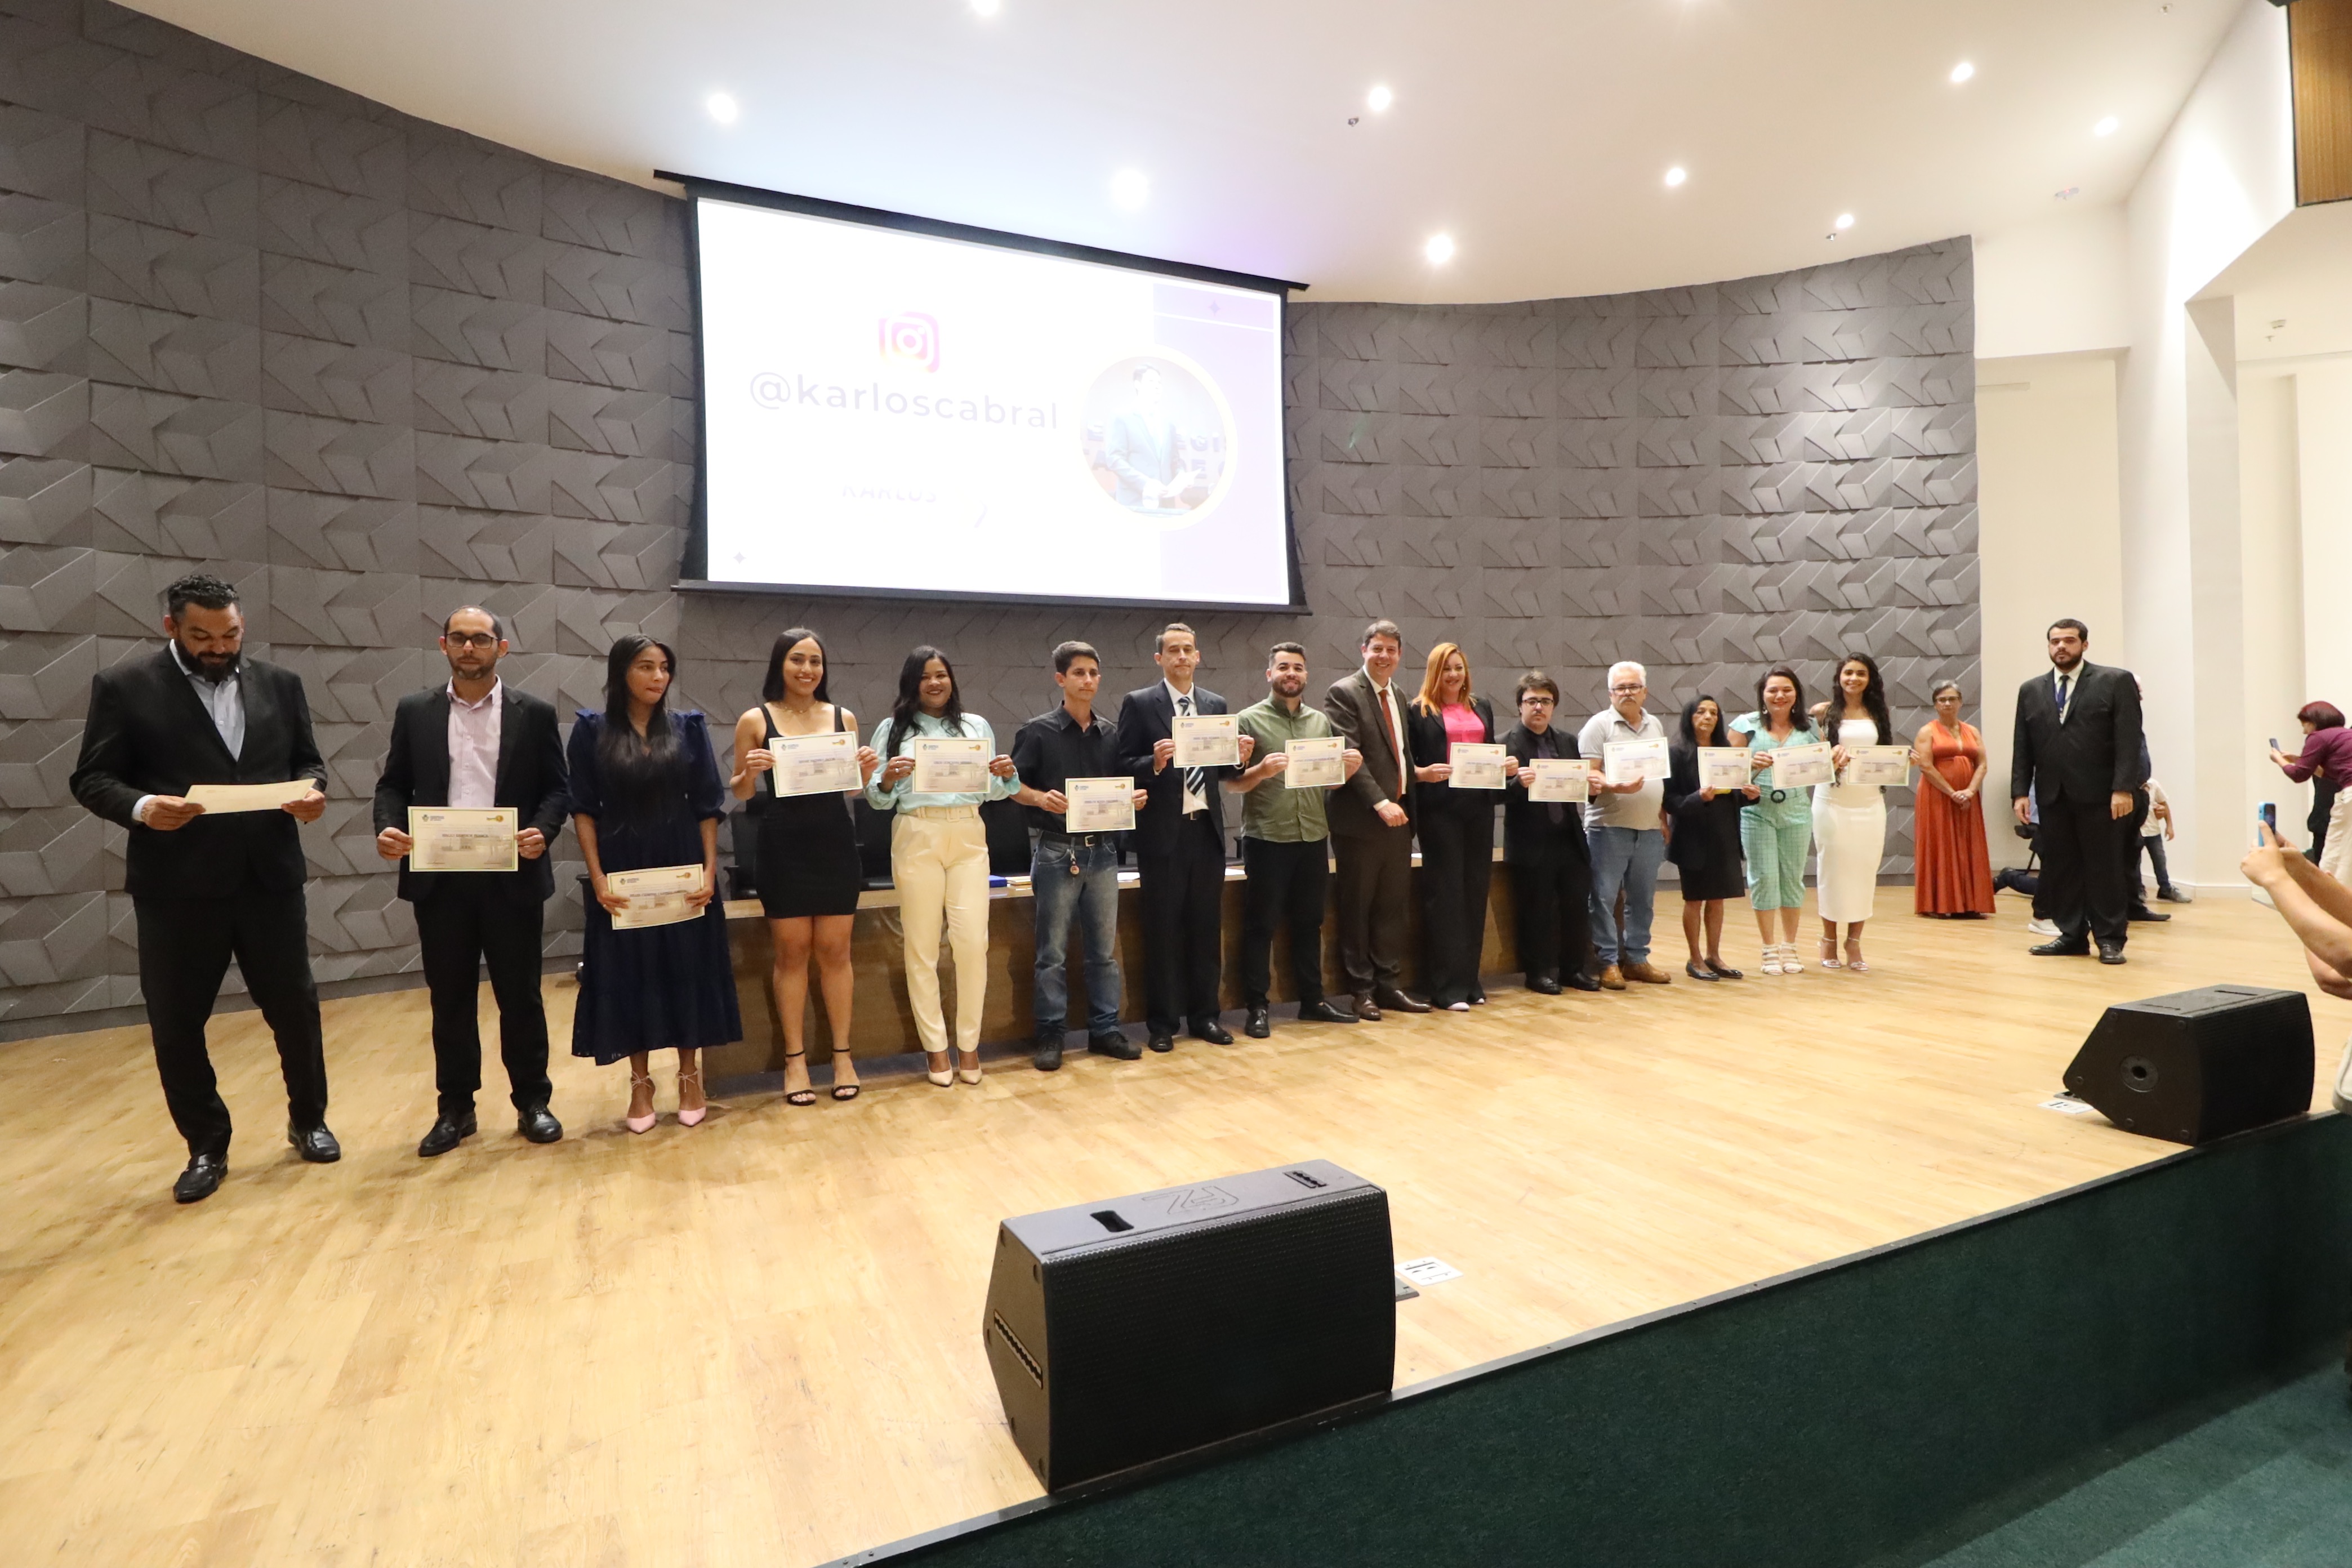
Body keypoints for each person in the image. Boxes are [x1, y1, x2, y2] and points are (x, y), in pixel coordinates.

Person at [68, 572, 334, 1203]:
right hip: (176, 888)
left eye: (230, 635)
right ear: (172, 627)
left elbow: (309, 761)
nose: (219, 647)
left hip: (269, 879)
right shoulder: (125, 686)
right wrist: (141, 808)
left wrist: (312, 793)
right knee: (177, 1023)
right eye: (203, 637)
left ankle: (310, 1120)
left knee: (295, 1010)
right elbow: (92, 777)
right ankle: (207, 1145)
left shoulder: (282, 684)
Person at [371, 606, 569, 1157]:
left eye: (480, 639)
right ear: (443, 645)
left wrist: (543, 829)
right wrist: (387, 826)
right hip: (441, 880)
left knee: (520, 997)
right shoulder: (415, 711)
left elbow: (558, 788)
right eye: (458, 638)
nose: (469, 648)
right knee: (450, 999)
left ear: (501, 648)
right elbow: (393, 784)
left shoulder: (535, 713)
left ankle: (533, 1101)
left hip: (512, 876)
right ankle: (455, 1109)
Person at [573, 635, 741, 1130]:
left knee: (687, 967)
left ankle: (689, 1076)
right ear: (621, 672)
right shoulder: (592, 730)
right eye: (646, 667)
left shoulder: (689, 727)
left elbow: (708, 805)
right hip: (623, 865)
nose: (658, 677)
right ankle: (640, 1083)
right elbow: (583, 809)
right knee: (632, 972)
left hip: (682, 862)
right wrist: (597, 877)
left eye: (665, 667)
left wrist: (709, 870)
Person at [865, 646, 1039, 1086]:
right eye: (925, 676)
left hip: (967, 833)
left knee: (972, 943)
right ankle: (936, 1049)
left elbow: (996, 791)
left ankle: (969, 1045)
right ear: (912, 682)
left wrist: (1007, 774)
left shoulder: (975, 726)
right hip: (917, 832)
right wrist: (887, 778)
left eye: (941, 675)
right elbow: (877, 798)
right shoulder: (892, 728)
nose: (935, 683)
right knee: (922, 946)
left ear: (951, 680)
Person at [730, 630, 881, 1107]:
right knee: (791, 954)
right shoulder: (755, 719)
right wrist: (750, 772)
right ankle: (794, 1061)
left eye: (816, 661)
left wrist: (866, 769)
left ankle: (842, 1057)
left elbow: (852, 790)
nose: (807, 670)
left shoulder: (843, 717)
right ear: (781, 664)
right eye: (798, 660)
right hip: (783, 845)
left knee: (836, 952)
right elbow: (740, 792)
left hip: (835, 842)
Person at [1011, 642, 1151, 1071]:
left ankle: (1104, 1030)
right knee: (1051, 953)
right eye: (1078, 673)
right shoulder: (1037, 731)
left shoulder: (1112, 734)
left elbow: (1119, 789)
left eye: (1093, 673)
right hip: (1057, 852)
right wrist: (1040, 798)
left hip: (1103, 853)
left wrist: (1132, 800)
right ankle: (1051, 1033)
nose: (1087, 680)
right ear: (1061, 679)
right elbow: (1010, 787)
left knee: (1103, 953)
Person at [1119, 623, 1255, 1051]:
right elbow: (1122, 763)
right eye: (1173, 650)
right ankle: (1162, 1024)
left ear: (1198, 657)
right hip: (1163, 835)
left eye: (1188, 650)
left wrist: (1239, 758)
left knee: (1205, 930)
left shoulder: (1215, 704)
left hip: (1206, 833)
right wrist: (1154, 763)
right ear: (1159, 658)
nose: (1182, 656)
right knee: (1162, 932)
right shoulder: (1140, 703)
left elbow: (1224, 771)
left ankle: (1205, 1017)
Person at [1226, 642, 1364, 1036]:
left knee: (1310, 923)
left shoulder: (1320, 722)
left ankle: (1312, 1001)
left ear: (1306, 675)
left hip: (1313, 836)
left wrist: (1349, 770)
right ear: (1269, 674)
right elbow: (1233, 784)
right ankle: (1257, 1007)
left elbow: (1330, 783)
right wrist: (1262, 772)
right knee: (1261, 926)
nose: (1292, 673)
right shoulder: (1247, 720)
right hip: (1268, 838)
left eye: (1298, 668)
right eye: (1284, 667)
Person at [2011, 618, 2144, 964]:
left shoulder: (2114, 681)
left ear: (2084, 645)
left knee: (2105, 868)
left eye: (2069, 640)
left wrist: (2123, 788)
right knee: (2062, 868)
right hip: (2053, 796)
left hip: (2102, 796)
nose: (2061, 647)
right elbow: (2023, 745)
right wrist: (2020, 792)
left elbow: (2129, 739)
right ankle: (2071, 935)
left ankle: (2110, 939)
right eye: (2055, 641)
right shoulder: (2031, 690)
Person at [1325, 620, 1431, 1018]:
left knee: (1391, 908)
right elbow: (1352, 757)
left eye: (1391, 650)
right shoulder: (1343, 692)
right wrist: (1380, 802)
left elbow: (1396, 754)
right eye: (1377, 649)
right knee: (1358, 908)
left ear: (1400, 656)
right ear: (1363, 651)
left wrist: (1416, 777)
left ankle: (1389, 985)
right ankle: (1361, 990)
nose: (1384, 656)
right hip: (1360, 820)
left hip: (1399, 819)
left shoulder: (1399, 694)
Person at [1404, 643, 1513, 1010]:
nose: (1453, 675)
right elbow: (1407, 764)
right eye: (1446, 669)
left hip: (1478, 810)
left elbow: (1489, 752)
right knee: (1446, 896)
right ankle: (1445, 986)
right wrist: (1423, 775)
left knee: (1475, 893)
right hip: (1440, 812)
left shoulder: (1481, 706)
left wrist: (1504, 767)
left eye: (1459, 668)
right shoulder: (1419, 711)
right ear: (1435, 673)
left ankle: (1469, 980)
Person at [1501, 671, 1601, 994]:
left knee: (1576, 908)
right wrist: (1517, 784)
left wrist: (1591, 790)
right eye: (1532, 701)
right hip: (1531, 842)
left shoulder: (1568, 741)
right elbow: (1493, 795)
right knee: (1537, 911)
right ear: (1520, 706)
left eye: (1546, 701)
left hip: (1568, 838)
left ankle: (1574, 970)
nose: (1539, 707)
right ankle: (1538, 973)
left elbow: (1577, 789)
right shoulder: (1505, 744)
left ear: (1554, 706)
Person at [1578, 661, 1673, 988]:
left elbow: (1658, 777)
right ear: (1610, 694)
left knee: (1642, 899)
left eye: (1634, 687)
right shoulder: (1598, 726)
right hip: (1608, 827)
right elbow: (1588, 774)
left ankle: (1637, 959)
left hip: (1649, 829)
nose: (1627, 693)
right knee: (1603, 898)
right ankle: (1607, 962)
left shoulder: (1655, 724)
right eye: (1621, 688)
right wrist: (1615, 786)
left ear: (1645, 692)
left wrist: (1661, 818)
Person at [1730, 666, 1820, 977]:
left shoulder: (1811, 727)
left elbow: (1823, 765)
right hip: (1757, 812)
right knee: (1763, 878)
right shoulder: (1745, 726)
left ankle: (1790, 946)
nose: (1780, 696)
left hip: (1797, 811)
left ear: (1796, 694)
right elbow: (1726, 771)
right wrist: (1749, 765)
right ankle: (1768, 948)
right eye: (1773, 690)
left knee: (1793, 879)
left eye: (1787, 690)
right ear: (1762, 694)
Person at [1808, 653, 1895, 972]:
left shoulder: (1878, 712)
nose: (1854, 679)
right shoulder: (1823, 712)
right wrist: (1829, 757)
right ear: (1839, 677)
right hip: (1832, 801)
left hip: (1869, 802)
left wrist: (1903, 762)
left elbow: (1883, 756)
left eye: (1861, 673)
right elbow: (1811, 757)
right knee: (1831, 869)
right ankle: (1828, 939)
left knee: (1865, 869)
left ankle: (1854, 941)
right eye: (1848, 673)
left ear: (1870, 679)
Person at [1662, 694, 1753, 980]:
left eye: (1713, 712)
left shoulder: (1728, 752)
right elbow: (1670, 801)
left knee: (1718, 899)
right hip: (1692, 835)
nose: (1708, 717)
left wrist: (1749, 795)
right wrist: (1698, 798)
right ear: (1689, 717)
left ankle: (1714, 955)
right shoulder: (1677, 753)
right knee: (1695, 899)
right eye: (1701, 712)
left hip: (1724, 832)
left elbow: (1733, 795)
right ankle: (1695, 958)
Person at [1910, 680, 1995, 918]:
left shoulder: (1972, 731)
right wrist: (1951, 792)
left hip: (1968, 797)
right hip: (1936, 796)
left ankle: (1970, 903)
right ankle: (1938, 904)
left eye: (1952, 699)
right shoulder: (1927, 731)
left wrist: (1970, 791)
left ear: (1960, 702)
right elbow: (1926, 766)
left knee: (1969, 845)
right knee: (1940, 845)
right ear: (1935, 705)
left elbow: (1982, 764)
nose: (1947, 704)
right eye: (1942, 700)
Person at [2271, 702, 2352, 887]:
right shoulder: (2345, 735)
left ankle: (2332, 896)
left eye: (2305, 725)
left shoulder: (2318, 737)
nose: (2304, 732)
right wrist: (2298, 760)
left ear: (2314, 722)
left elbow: (2298, 775)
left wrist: (2279, 760)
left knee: (2335, 853)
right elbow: (2333, 774)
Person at [1103, 365, 1199, 511]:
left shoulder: (1168, 424)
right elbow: (1114, 459)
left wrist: (1182, 476)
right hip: (1134, 503)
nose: (1157, 386)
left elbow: (1175, 461)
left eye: (1159, 383)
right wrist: (1146, 483)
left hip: (1166, 505)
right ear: (1137, 385)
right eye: (1151, 382)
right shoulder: (1122, 418)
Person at [2136, 777, 2183, 905]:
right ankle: (2138, 890)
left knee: (2160, 859)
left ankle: (2165, 888)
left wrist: (2169, 826)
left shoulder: (2153, 784)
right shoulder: (2129, 783)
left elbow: (2164, 804)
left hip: (2153, 831)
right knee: (2136, 862)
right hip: (2135, 830)